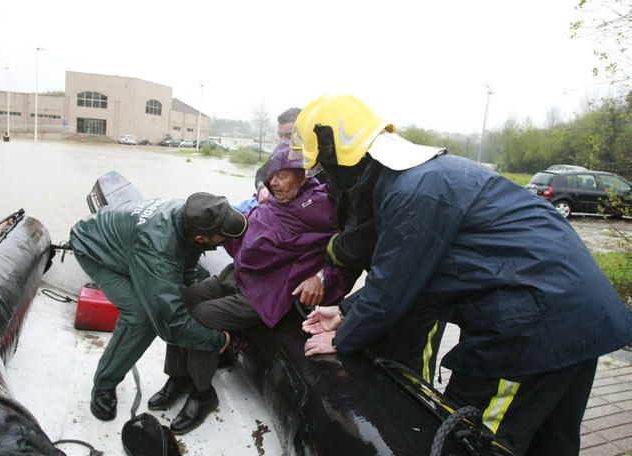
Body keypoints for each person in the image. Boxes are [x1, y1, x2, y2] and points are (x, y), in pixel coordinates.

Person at [294, 95, 632, 455]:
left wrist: (345, 337)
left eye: (323, 168)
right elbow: (413, 273)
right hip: (581, 315)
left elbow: (394, 287)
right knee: (551, 440)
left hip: (530, 331)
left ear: (338, 157)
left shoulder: (411, 190)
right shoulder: (431, 176)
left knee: (473, 440)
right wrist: (346, 311)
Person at [148, 143, 357, 435]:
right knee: (184, 300)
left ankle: (202, 392)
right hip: (239, 273)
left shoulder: (321, 208)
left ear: (302, 176)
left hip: (266, 292)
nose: (274, 182)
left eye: (283, 176)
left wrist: (321, 277)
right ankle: (179, 375)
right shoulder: (270, 200)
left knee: (202, 315)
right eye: (273, 175)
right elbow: (245, 225)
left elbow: (348, 252)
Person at [69, 192, 247, 422]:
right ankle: (104, 384)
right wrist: (218, 341)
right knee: (141, 316)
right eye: (223, 236)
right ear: (203, 237)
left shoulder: (191, 216)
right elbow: (170, 326)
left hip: (132, 244)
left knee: (183, 297)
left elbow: (188, 262)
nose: (227, 240)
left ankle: (181, 376)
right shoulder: (157, 249)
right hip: (95, 248)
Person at [253, 107, 302, 204]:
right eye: (280, 136)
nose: (283, 141)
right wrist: (261, 188)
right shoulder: (278, 155)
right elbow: (261, 174)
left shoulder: (320, 162)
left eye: (289, 136)